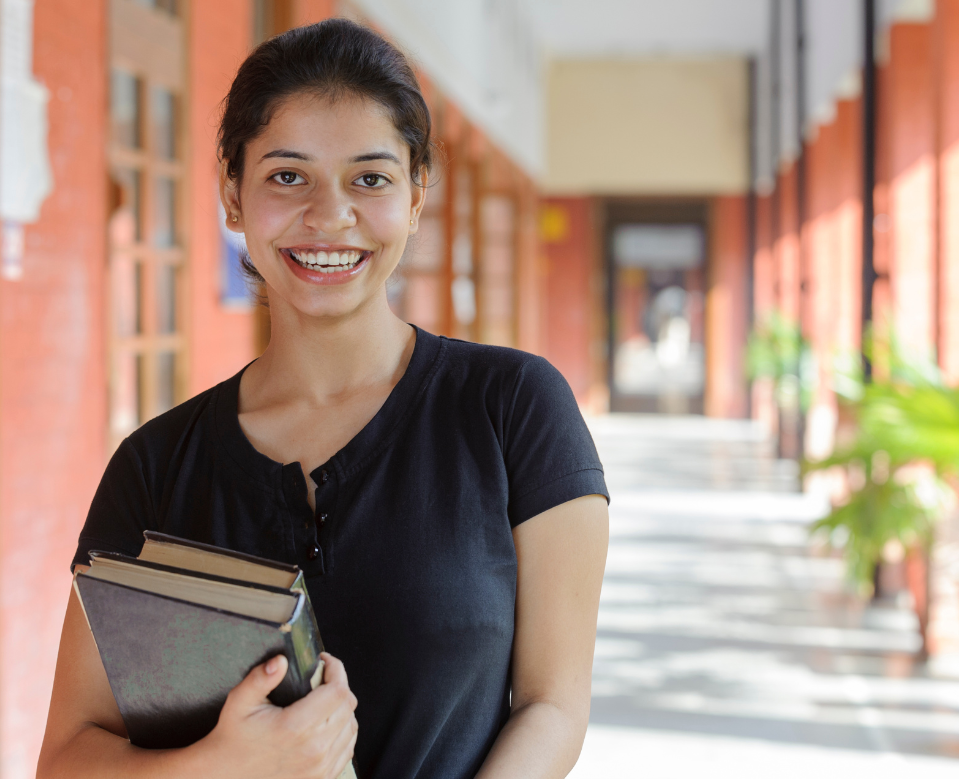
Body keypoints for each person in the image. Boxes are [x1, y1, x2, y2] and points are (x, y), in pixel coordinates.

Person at [37, 18, 609, 779]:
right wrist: (220, 765)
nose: (329, 215)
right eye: (287, 176)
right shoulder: (155, 466)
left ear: (416, 196)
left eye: (370, 178)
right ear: (233, 195)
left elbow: (554, 705)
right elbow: (67, 756)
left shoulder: (514, 409)